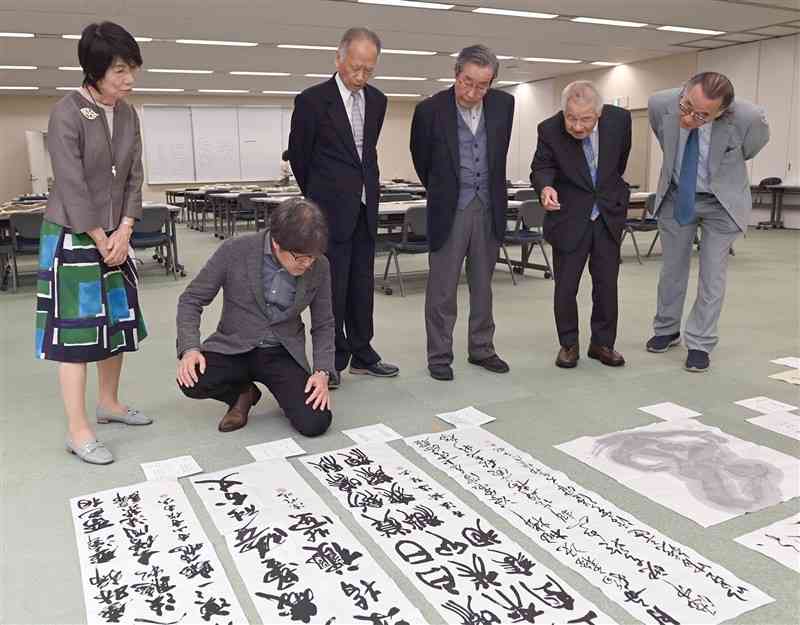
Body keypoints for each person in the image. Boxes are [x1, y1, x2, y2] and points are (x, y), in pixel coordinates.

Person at [37, 21, 149, 466]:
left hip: (115, 236)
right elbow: (71, 185)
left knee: (116, 325)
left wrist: (124, 230)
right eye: (120, 70)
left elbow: (135, 176)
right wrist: (103, 238)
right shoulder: (67, 112)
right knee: (77, 336)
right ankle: (78, 429)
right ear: (94, 69)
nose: (129, 80)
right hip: (73, 235)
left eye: (133, 69)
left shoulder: (128, 113)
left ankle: (110, 404)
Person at [288, 26, 398, 388]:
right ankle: (331, 360)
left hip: (365, 208)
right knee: (330, 289)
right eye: (355, 67)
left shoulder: (378, 101)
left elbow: (365, 156)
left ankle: (363, 353)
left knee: (362, 284)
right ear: (339, 59)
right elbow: (301, 159)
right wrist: (321, 201)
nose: (361, 76)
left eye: (369, 69)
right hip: (328, 212)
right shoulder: (311, 101)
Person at [176, 197, 334, 437]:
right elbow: (191, 299)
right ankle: (243, 393)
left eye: (312, 257)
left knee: (315, 422)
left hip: (281, 350)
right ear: (277, 243)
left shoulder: (319, 265)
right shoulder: (235, 250)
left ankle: (270, 391)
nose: (307, 265)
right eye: (300, 258)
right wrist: (190, 349)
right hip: (235, 345)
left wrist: (322, 371)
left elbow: (324, 323)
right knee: (191, 378)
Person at [646, 72, 769, 371]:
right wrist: (684, 120)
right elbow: (666, 141)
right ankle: (666, 329)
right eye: (687, 106)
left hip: (721, 201)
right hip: (678, 194)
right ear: (684, 91)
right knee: (672, 267)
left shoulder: (748, 118)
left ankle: (700, 342)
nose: (690, 116)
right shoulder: (661, 103)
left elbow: (751, 149)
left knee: (712, 275)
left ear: (723, 111)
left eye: (702, 114)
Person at [410, 44, 514, 381]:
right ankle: (439, 355)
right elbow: (421, 159)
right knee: (442, 287)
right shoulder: (429, 110)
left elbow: (498, 153)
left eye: (483, 85)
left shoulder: (504, 105)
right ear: (456, 74)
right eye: (467, 82)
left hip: (488, 206)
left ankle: (482, 348)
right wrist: (446, 188)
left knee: (483, 284)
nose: (473, 92)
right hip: (450, 208)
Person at [531, 81, 632, 369]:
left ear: (598, 114)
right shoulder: (549, 129)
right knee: (566, 287)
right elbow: (541, 167)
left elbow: (618, 162)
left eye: (586, 119)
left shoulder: (620, 121)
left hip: (607, 216)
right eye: (571, 118)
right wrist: (545, 188)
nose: (577, 126)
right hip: (569, 216)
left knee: (606, 285)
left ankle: (602, 344)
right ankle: (569, 344)